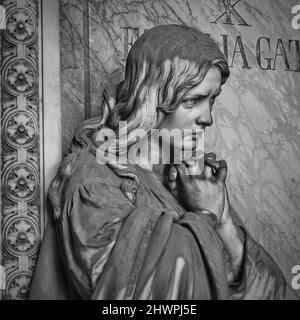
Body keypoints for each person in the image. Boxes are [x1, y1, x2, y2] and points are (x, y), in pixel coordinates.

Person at [30, 25, 288, 300]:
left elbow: (273, 292)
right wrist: (205, 218)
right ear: (150, 99)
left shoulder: (191, 181)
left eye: (212, 100)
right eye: (193, 100)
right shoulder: (93, 178)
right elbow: (131, 297)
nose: (207, 118)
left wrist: (223, 221)